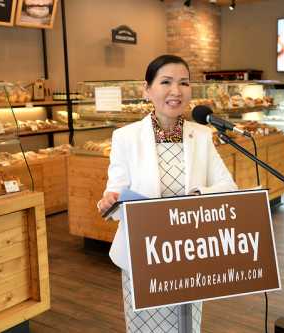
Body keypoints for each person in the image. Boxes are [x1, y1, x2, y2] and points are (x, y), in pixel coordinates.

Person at [98, 54, 237, 332]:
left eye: (183, 83)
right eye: (165, 82)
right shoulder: (126, 137)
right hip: (143, 255)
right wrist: (110, 200)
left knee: (187, 325)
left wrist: (196, 198)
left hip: (188, 254)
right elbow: (116, 188)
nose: (176, 91)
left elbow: (228, 188)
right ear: (147, 89)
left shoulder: (202, 135)